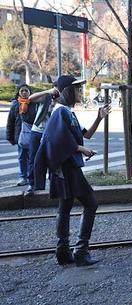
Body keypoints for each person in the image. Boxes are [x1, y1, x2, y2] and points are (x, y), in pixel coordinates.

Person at [34, 75, 110, 266]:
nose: (80, 92)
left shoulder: (66, 112)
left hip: (63, 167)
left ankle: (63, 251)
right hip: (68, 167)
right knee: (91, 203)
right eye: (76, 89)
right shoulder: (61, 112)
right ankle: (81, 251)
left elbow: (87, 134)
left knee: (65, 207)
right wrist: (80, 149)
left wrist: (99, 117)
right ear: (67, 91)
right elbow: (56, 139)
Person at [25, 85, 60, 195]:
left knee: (53, 160)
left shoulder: (62, 100)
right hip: (37, 131)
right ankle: (32, 184)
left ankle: (53, 186)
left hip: (51, 134)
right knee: (33, 159)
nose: (57, 90)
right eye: (56, 88)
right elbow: (31, 98)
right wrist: (47, 91)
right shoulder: (46, 96)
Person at [6, 84, 35, 186]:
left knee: (32, 158)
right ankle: (23, 177)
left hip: (33, 135)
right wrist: (9, 137)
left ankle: (32, 177)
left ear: (30, 92)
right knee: (22, 157)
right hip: (20, 136)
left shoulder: (34, 104)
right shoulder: (15, 105)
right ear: (18, 92)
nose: (24, 93)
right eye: (22, 91)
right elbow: (10, 122)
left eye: (26, 91)